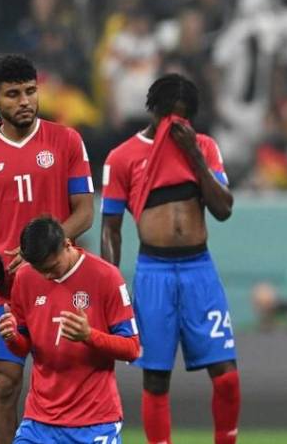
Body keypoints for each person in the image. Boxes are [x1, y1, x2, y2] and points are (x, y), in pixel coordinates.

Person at [0, 54, 94, 444]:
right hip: (4, 289)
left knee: (67, 385)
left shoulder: (66, 140)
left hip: (59, 281)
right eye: (13, 94)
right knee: (4, 385)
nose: (25, 101)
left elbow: (85, 212)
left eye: (31, 91)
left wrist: (44, 247)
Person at [100, 73, 240, 444]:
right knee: (156, 378)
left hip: (199, 270)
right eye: (170, 114)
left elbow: (223, 209)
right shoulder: (122, 157)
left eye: (183, 115)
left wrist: (194, 155)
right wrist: (110, 288)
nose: (175, 122)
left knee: (227, 375)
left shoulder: (205, 146)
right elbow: (110, 229)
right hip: (154, 272)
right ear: (155, 111)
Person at [0, 217, 139, 444]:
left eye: (52, 267)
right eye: (40, 270)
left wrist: (89, 335)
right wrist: (11, 336)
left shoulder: (106, 276)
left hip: (94, 421)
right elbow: (23, 347)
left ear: (66, 244)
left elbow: (132, 348)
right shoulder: (24, 278)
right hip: (39, 421)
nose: (47, 276)